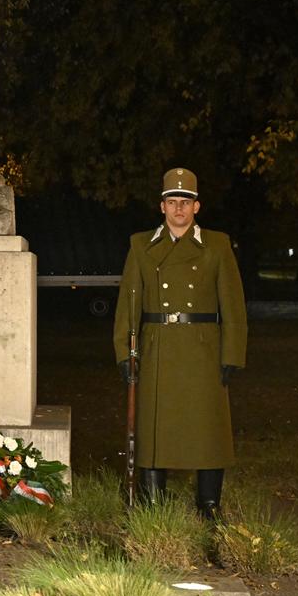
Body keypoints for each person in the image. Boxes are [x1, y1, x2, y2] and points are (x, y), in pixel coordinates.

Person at [112, 168, 247, 518]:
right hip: (157, 344)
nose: (179, 210)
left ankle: (209, 503)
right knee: (155, 428)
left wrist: (232, 352)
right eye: (172, 202)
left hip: (202, 348)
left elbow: (232, 304)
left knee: (208, 428)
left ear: (197, 206)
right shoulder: (141, 245)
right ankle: (153, 503)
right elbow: (129, 303)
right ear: (162, 207)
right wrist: (125, 352)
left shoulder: (216, 245)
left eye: (185, 202)